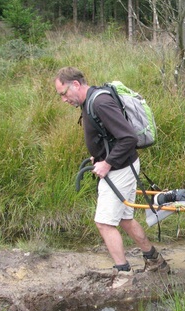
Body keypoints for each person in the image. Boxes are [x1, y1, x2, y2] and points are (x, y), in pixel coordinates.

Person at [54, 67, 169, 289]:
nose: (63, 99)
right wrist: (98, 153)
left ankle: (123, 273)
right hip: (120, 165)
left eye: (63, 93)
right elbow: (110, 135)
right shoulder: (90, 102)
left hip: (119, 169)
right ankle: (155, 261)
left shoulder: (99, 103)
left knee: (104, 223)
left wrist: (107, 162)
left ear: (76, 85)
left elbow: (128, 137)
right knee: (125, 219)